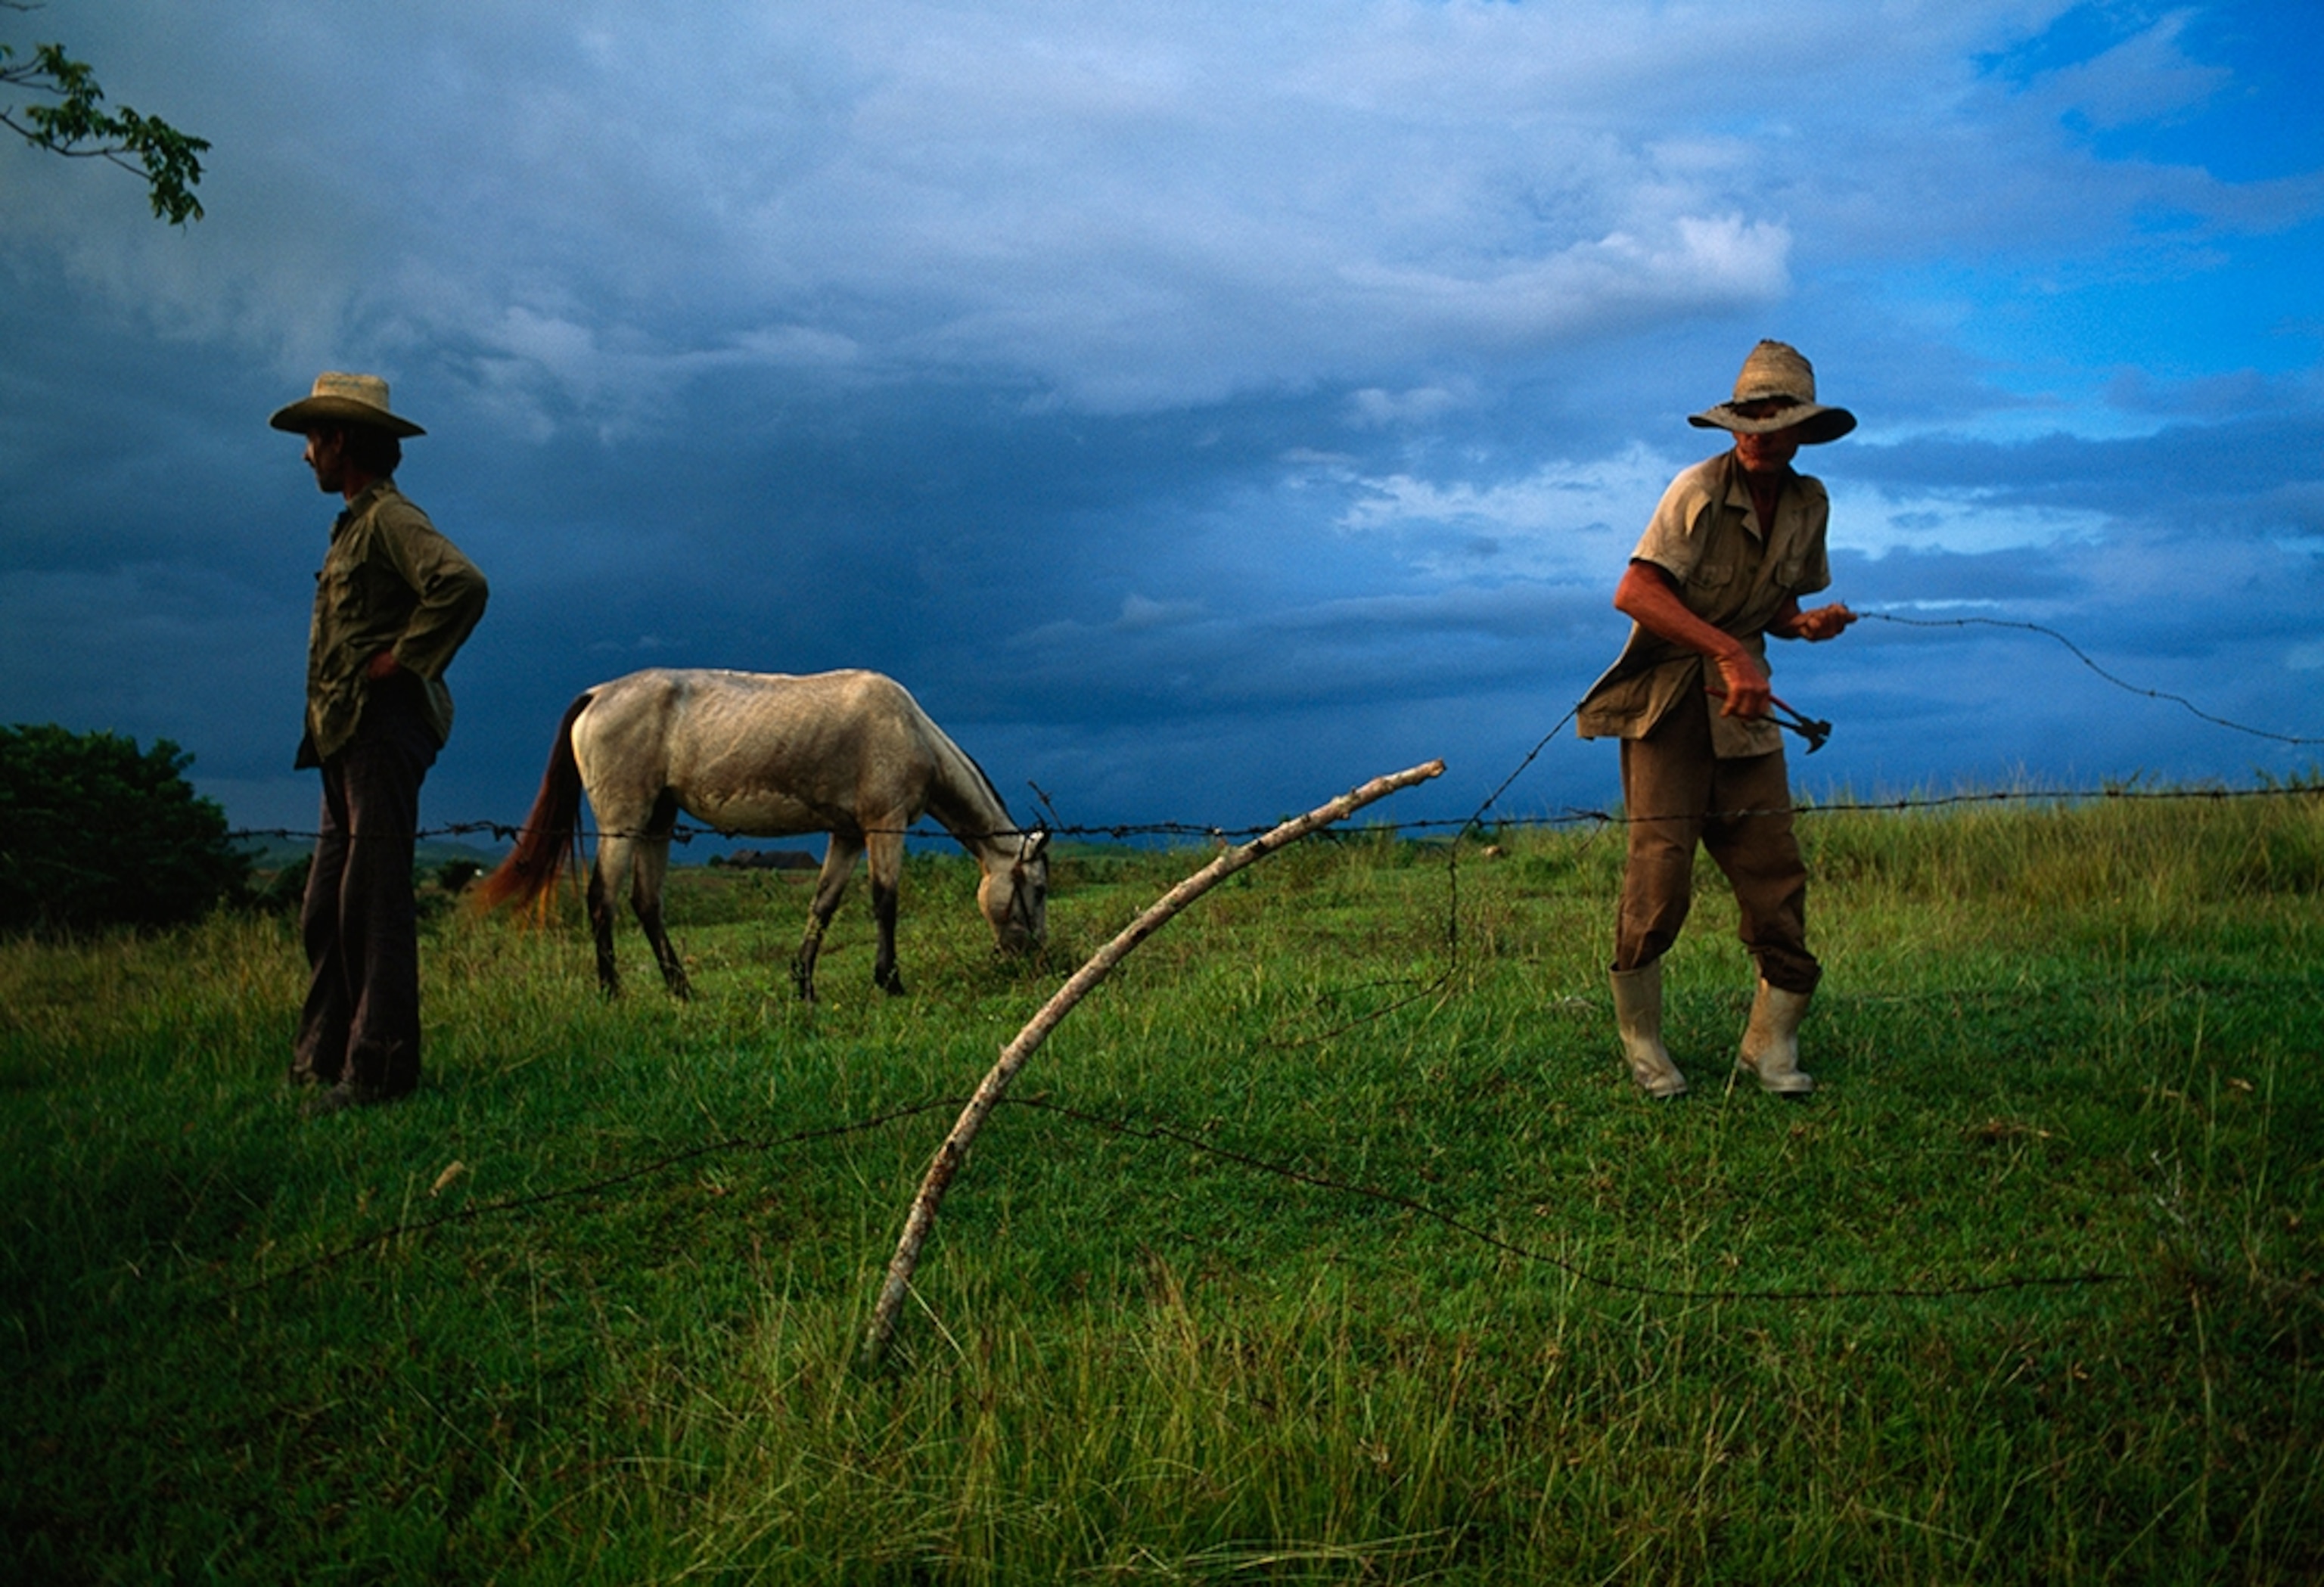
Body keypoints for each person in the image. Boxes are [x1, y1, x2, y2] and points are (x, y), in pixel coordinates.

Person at [1577, 340, 1858, 1099]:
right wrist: (1729, 650)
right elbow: (1635, 594)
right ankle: (1644, 1049)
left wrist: (1806, 626)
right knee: (1660, 873)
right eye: (1749, 418)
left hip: (1745, 703)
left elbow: (1778, 605)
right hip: (1671, 700)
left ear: (1803, 428)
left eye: (1778, 418)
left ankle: (1771, 1046)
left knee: (1774, 867)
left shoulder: (1809, 502)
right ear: (1732, 426)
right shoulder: (1695, 489)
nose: (1760, 432)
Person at [270, 372, 489, 1115]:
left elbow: (460, 582)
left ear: (341, 441)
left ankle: (379, 1074)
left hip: (382, 728)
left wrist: (403, 658)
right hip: (344, 736)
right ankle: (321, 1060)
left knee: (373, 901)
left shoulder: (391, 519)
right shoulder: (353, 524)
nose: (306, 455)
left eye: (313, 439)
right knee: (327, 906)